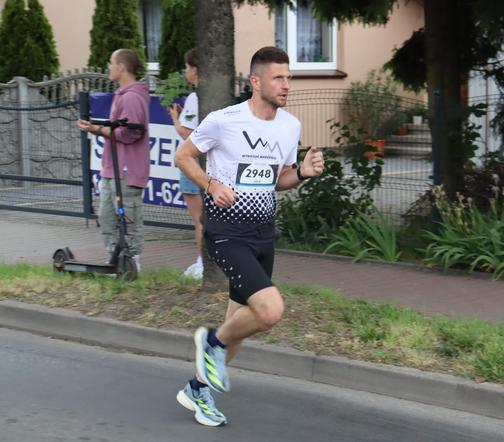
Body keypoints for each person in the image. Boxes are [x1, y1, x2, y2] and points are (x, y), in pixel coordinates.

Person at [174, 46, 324, 427]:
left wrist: (302, 173)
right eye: (279, 78)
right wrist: (210, 184)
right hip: (226, 232)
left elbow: (279, 179)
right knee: (269, 311)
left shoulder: (289, 126)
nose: (286, 85)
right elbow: (183, 156)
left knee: (239, 323)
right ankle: (209, 343)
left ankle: (197, 390)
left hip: (262, 234)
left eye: (289, 77)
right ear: (256, 82)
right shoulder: (224, 120)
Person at [77, 48, 150, 271]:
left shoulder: (132, 97)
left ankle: (131, 262)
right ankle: (114, 259)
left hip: (126, 169)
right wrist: (96, 129)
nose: (108, 67)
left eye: (111, 63)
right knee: (106, 216)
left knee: (128, 216)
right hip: (113, 168)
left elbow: (130, 133)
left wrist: (98, 129)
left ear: (121, 67)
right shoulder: (122, 95)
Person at [168, 48, 204, 279]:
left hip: (192, 165)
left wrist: (175, 118)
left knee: (199, 219)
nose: (185, 72)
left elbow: (187, 134)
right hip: (211, 166)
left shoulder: (194, 97)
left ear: (195, 70)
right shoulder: (214, 95)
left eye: (187, 67)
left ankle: (202, 263)